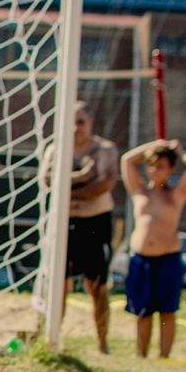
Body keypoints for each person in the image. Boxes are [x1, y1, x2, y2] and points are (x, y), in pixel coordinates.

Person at [40, 100, 118, 353]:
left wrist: (70, 188)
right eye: (71, 123)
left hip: (94, 223)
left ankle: (103, 343)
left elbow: (104, 184)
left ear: (91, 123)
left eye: (81, 122)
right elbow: (48, 180)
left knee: (96, 285)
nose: (76, 128)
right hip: (64, 222)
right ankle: (52, 339)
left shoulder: (105, 149)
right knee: (58, 284)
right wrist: (82, 176)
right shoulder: (56, 149)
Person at [120, 139, 186, 358]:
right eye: (151, 165)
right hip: (141, 259)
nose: (154, 170)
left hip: (168, 259)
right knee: (143, 312)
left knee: (167, 311)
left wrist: (179, 152)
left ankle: (164, 356)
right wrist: (155, 144)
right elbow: (127, 160)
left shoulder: (176, 195)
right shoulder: (139, 192)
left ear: (170, 169)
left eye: (160, 166)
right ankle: (142, 355)